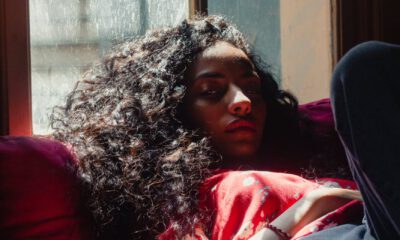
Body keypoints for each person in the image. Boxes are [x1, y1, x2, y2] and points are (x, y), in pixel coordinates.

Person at [50, 16, 396, 239]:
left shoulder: (308, 161)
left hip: (376, 222)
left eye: (253, 88)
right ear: (173, 112)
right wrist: (304, 210)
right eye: (212, 92)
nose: (243, 101)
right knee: (360, 68)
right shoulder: (181, 208)